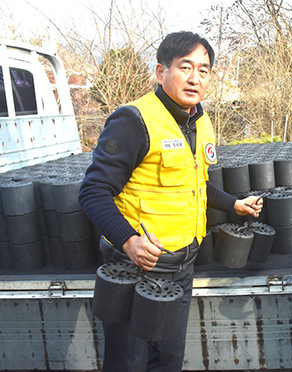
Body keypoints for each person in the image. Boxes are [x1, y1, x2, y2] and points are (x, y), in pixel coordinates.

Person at [79, 31, 262, 372]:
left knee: (168, 361)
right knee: (128, 363)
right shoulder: (133, 120)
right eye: (185, 67)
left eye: (204, 70)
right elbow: (92, 191)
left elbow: (194, 186)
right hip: (134, 269)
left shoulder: (200, 121)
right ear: (161, 73)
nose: (195, 78)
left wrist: (234, 205)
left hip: (180, 269)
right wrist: (129, 241)